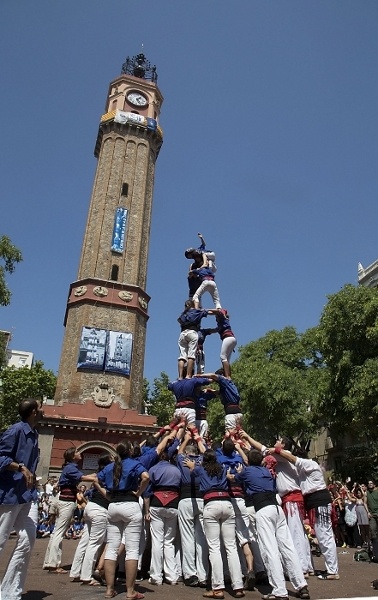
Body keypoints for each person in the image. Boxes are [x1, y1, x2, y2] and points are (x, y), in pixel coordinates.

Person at [233, 449, 310, 600]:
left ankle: (279, 590)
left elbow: (234, 478)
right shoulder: (266, 471)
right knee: (288, 547)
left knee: (270, 550)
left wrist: (239, 471)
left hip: (263, 509)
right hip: (277, 508)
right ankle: (301, 585)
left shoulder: (247, 472)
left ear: (248, 461)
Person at [269, 442, 339, 581]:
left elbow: (293, 459)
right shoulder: (302, 469)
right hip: (313, 502)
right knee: (319, 535)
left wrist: (277, 449)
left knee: (324, 536)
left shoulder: (310, 464)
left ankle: (332, 571)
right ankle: (325, 568)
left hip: (319, 501)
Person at [184, 449, 244, 599]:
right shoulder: (223, 469)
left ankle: (218, 588)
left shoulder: (200, 469)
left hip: (211, 504)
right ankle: (238, 586)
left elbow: (192, 472)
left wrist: (192, 465)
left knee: (214, 547)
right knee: (231, 547)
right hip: (226, 502)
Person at [0, 398, 43, 600]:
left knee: (28, 538)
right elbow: (1, 457)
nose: (43, 410)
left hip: (27, 494)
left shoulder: (34, 434)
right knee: (0, 539)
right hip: (10, 493)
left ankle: (10, 591)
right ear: (34, 411)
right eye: (40, 407)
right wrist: (20, 467)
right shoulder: (15, 431)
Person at [97, 439, 150, 600]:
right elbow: (146, 477)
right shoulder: (134, 464)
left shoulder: (109, 466)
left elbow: (96, 479)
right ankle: (130, 590)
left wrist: (106, 494)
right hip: (130, 504)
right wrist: (139, 492)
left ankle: (109, 589)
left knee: (112, 548)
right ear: (130, 451)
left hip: (113, 505)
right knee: (132, 550)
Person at [43, 447, 96, 573]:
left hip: (63, 500)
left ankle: (49, 561)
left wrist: (94, 475)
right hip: (66, 502)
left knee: (57, 531)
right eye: (77, 452)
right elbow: (83, 478)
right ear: (72, 456)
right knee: (59, 532)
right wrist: (96, 478)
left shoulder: (68, 467)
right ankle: (54, 563)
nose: (79, 454)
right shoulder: (72, 468)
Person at [69, 452, 113, 585]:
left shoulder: (98, 473)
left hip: (90, 507)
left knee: (84, 542)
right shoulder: (110, 473)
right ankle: (87, 575)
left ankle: (75, 572)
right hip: (100, 509)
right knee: (94, 544)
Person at [144, 447, 182, 585]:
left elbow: (147, 492)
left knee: (157, 541)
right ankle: (172, 576)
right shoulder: (177, 470)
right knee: (169, 542)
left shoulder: (153, 469)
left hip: (157, 503)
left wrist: (146, 511)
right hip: (173, 504)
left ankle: (156, 576)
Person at [176, 429, 209, 587]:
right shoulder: (204, 460)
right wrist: (198, 439)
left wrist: (186, 439)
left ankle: (190, 574)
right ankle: (204, 575)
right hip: (202, 500)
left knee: (187, 538)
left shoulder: (183, 459)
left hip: (186, 499)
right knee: (201, 538)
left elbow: (179, 451)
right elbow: (207, 452)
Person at [177, 300, 211, 378]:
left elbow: (179, 321)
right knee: (191, 355)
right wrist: (217, 311)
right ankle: (188, 375)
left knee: (182, 356)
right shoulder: (196, 311)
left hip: (182, 334)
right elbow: (208, 312)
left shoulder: (183, 314)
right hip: (192, 332)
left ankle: (180, 376)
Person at [214, 309, 237, 379]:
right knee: (226, 359)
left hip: (228, 338)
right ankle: (228, 375)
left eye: (216, 317)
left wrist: (206, 311)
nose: (216, 319)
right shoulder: (222, 323)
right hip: (231, 339)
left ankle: (227, 376)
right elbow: (215, 330)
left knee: (223, 357)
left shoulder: (223, 319)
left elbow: (221, 311)